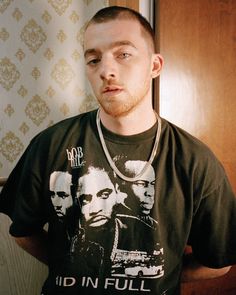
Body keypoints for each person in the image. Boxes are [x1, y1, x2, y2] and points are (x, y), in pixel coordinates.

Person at [0, 5, 235, 295]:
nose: (106, 71)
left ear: (154, 65)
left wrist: (158, 274)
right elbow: (23, 232)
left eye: (123, 54)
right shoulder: (50, 144)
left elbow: (219, 263)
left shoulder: (195, 160)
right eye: (94, 59)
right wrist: (75, 266)